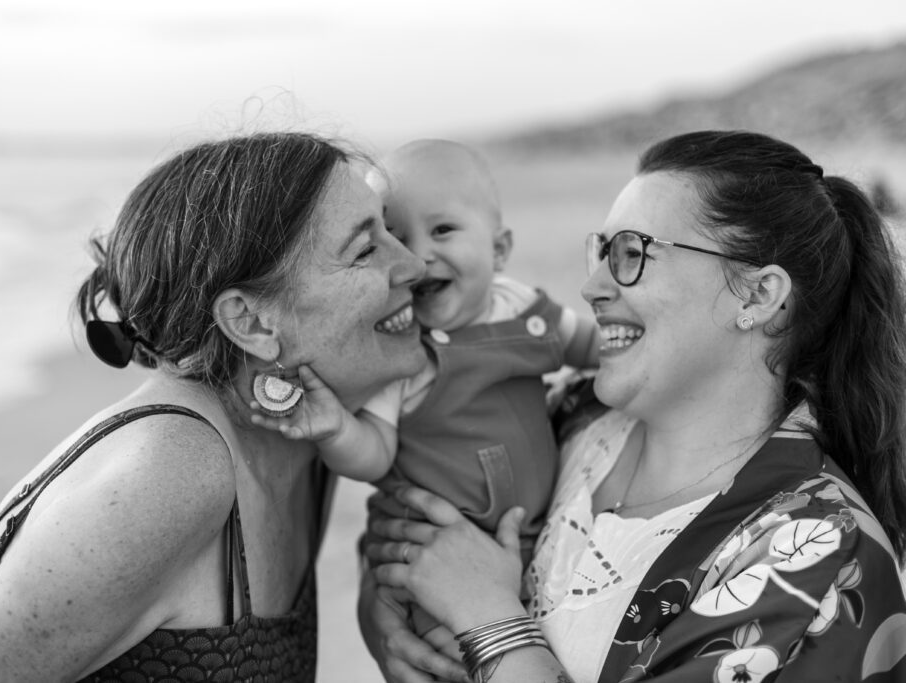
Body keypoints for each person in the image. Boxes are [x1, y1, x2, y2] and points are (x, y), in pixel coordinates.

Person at [0, 131, 429, 683]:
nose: (416, 265)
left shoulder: (310, 429)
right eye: (366, 249)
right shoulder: (170, 476)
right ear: (253, 323)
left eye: (392, 229)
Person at [361, 130, 906, 682]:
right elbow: (415, 528)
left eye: (631, 254)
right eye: (600, 251)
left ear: (759, 295)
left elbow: (468, 589)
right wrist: (384, 621)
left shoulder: (819, 553)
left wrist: (489, 619)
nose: (591, 287)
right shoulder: (571, 417)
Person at [251, 139, 599, 656]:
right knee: (449, 657)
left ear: (499, 250)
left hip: (533, 540)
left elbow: (594, 348)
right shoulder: (403, 351)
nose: (418, 255)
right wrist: (337, 430)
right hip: (435, 550)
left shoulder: (523, 310)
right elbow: (375, 456)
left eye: (443, 230)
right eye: (394, 235)